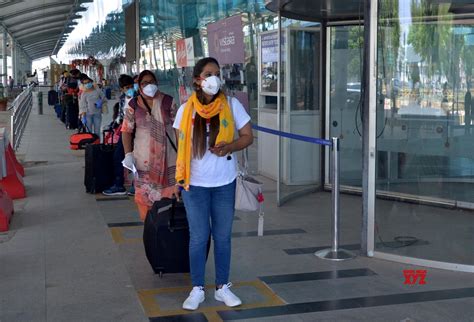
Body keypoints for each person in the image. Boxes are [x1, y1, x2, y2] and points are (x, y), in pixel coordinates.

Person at [173, 57, 253, 311]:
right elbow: (181, 150)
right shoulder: (186, 110)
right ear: (198, 79)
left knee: (222, 237)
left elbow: (248, 136)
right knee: (198, 237)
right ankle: (197, 288)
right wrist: (177, 180)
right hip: (194, 185)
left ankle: (222, 287)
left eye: (217, 73)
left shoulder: (231, 105)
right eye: (208, 73)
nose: (214, 78)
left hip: (224, 183)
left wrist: (230, 146)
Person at [121, 70, 178, 221]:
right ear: (139, 86)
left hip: (169, 160)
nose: (149, 85)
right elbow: (126, 131)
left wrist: (183, 155)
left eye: (152, 82)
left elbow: (178, 129)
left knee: (169, 201)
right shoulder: (133, 105)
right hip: (143, 161)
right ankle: (150, 234)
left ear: (157, 83)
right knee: (146, 203)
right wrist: (128, 154)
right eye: (144, 83)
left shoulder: (168, 102)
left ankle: (166, 233)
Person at [103, 74, 136, 196]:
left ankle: (136, 185)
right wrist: (115, 123)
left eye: (132, 86)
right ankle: (119, 184)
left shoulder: (139, 98)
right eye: (127, 87)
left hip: (137, 132)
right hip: (125, 131)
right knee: (118, 157)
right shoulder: (123, 98)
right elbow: (121, 115)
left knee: (137, 158)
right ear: (122, 88)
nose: (130, 89)